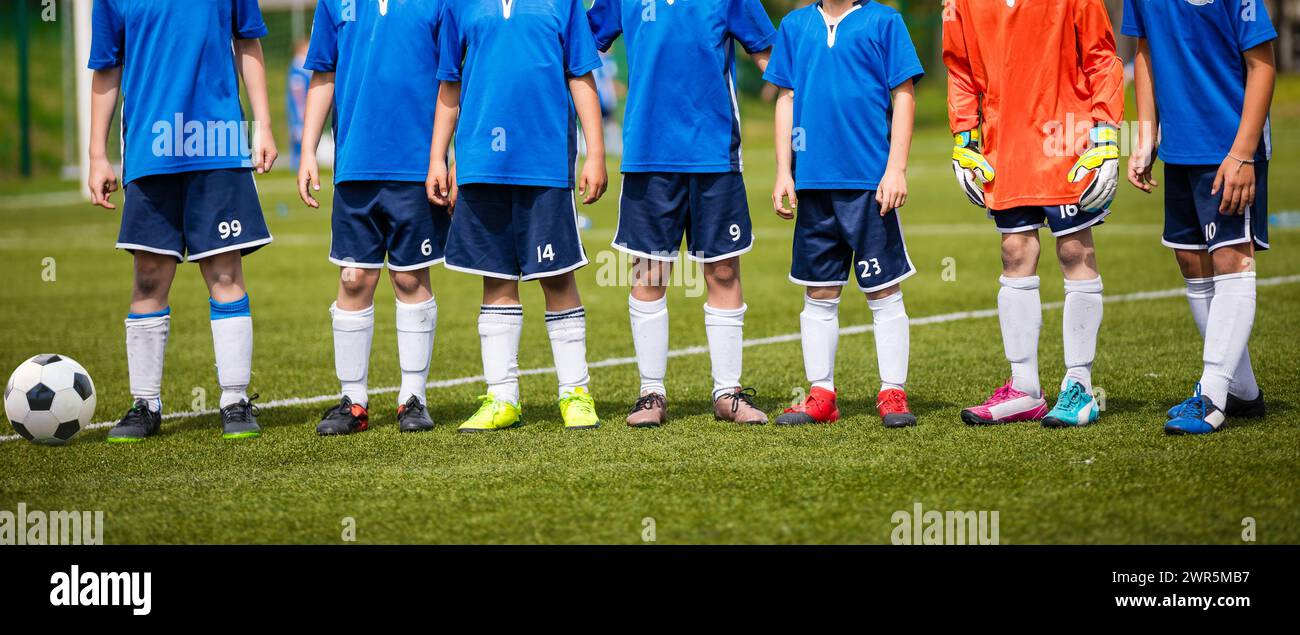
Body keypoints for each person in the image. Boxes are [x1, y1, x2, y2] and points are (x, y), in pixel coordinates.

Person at [87, 0, 278, 442]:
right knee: (149, 276)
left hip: (219, 143)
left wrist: (263, 123)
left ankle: (234, 399)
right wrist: (98, 155)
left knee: (225, 271)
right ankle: (145, 405)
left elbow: (247, 40)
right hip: (151, 151)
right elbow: (106, 66)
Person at [587, 0, 776, 427]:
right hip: (647, 156)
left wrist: (813, 99)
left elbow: (768, 55)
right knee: (649, 274)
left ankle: (728, 392)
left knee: (723, 272)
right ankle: (651, 393)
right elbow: (581, 46)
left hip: (713, 154)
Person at [427, 0, 609, 432]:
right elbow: (449, 87)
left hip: (544, 162)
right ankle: (502, 396)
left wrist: (596, 152)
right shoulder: (459, 5)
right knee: (496, 278)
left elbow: (580, 75)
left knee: (558, 277)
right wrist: (438, 156)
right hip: (481, 164)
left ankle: (575, 393)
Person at [944, 0, 1123, 427]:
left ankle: (1079, 385)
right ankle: (1024, 388)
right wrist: (965, 139)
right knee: (1014, 252)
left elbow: (1101, 57)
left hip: (1068, 138)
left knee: (1074, 253)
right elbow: (960, 68)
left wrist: (1106, 135)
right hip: (1006, 142)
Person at [765, 0, 923, 428]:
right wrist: (784, 171)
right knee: (818, 294)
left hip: (871, 185)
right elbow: (786, 96)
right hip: (813, 183)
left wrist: (896, 169)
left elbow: (903, 94)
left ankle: (893, 392)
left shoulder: (884, 20)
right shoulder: (795, 25)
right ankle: (821, 394)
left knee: (883, 291)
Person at [297, 0, 453, 435]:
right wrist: (309, 149)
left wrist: (443, 155)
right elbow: (323, 73)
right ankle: (354, 400)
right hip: (355, 166)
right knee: (353, 279)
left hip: (416, 167)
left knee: (410, 279)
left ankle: (413, 397)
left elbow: (452, 80)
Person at [1123, 0, 1275, 434]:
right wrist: (1146, 136)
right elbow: (1145, 52)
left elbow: (1262, 65)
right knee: (1191, 259)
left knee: (1231, 259)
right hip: (1179, 148)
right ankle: (1242, 393)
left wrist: (1243, 154)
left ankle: (1212, 394)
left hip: (1228, 148)